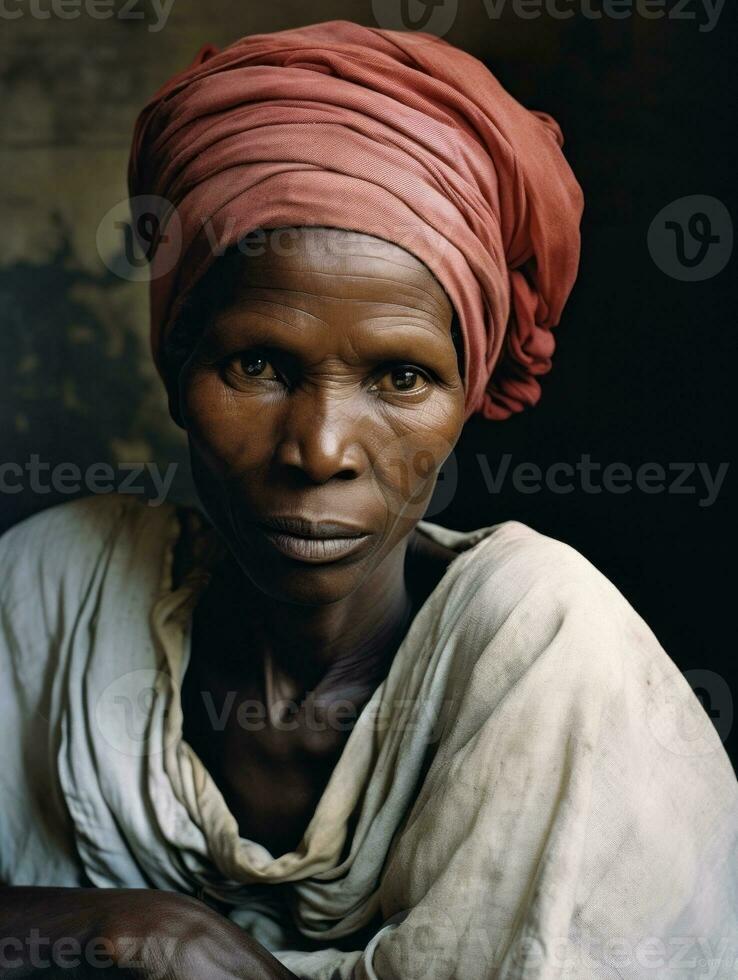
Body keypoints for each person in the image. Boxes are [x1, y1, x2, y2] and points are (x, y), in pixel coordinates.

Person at [1, 20, 735, 980]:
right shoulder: (57, 594)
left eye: (399, 378)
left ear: (468, 399)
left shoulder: (549, 652)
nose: (319, 449)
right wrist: (129, 931)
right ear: (178, 363)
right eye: (257, 364)